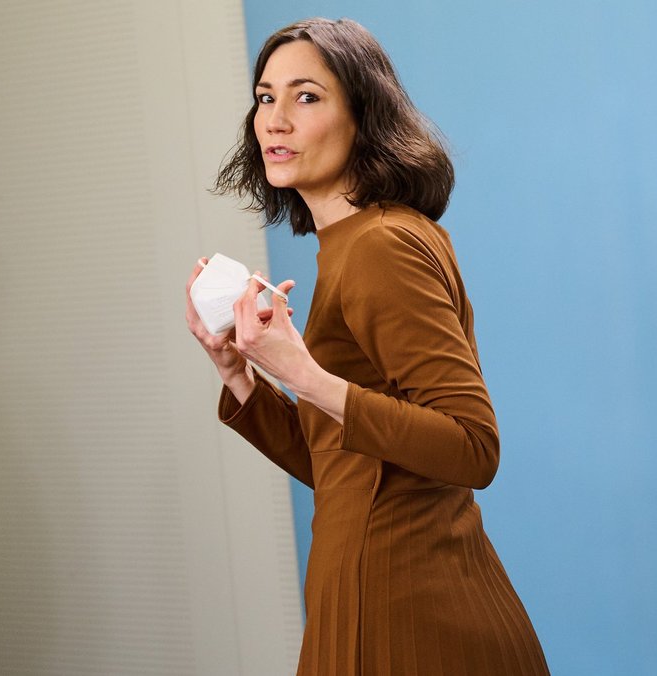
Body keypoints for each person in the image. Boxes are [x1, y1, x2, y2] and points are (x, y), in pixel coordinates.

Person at [183, 17, 549, 675]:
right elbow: (345, 466)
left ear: (364, 117)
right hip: (366, 595)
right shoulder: (355, 245)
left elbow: (473, 446)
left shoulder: (380, 247)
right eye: (266, 97)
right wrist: (243, 374)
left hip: (405, 615)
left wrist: (305, 374)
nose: (275, 120)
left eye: (307, 96)